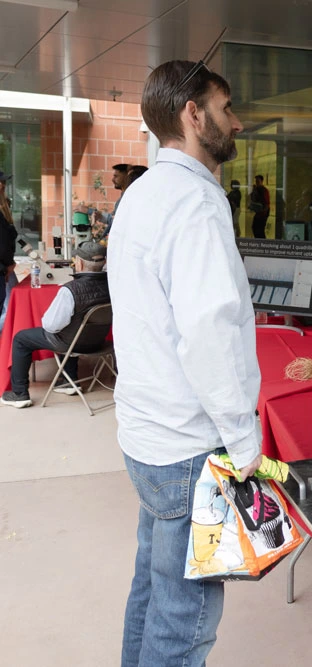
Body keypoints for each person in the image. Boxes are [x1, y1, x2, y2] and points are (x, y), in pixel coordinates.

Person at [109, 59, 261, 666]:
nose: (238, 123)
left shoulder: (142, 194)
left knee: (150, 596)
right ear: (192, 115)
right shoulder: (195, 203)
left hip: (146, 438)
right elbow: (210, 337)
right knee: (184, 625)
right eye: (226, 108)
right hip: (190, 450)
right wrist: (245, 443)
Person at [0, 241, 109, 408]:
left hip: (72, 342)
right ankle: (68, 380)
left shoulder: (70, 290)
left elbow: (50, 326)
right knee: (72, 328)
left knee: (22, 338)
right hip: (99, 342)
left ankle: (19, 393)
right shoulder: (113, 286)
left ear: (78, 262)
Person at [0, 170, 17, 330]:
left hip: (5, 268)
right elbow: (3, 244)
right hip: (3, 268)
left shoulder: (4, 208)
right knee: (12, 306)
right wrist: (8, 265)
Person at [249, 174, 270, 238]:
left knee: (260, 229)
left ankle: (262, 243)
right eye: (256, 181)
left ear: (261, 181)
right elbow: (252, 198)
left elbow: (266, 203)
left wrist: (264, 212)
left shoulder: (264, 190)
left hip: (263, 213)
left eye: (258, 181)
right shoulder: (257, 189)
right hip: (259, 212)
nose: (257, 182)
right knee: (255, 228)